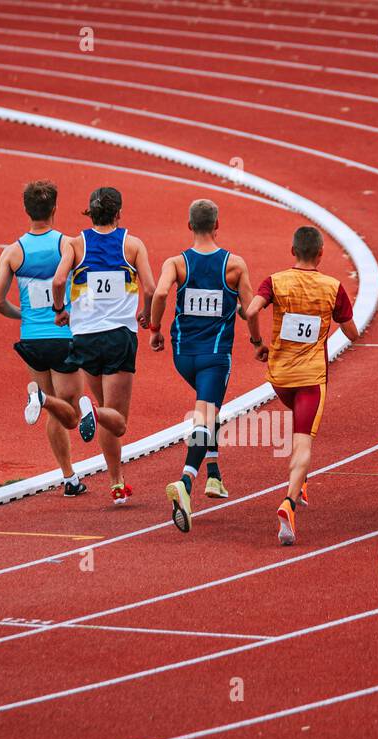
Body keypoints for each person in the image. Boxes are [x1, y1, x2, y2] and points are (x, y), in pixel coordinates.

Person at [244, 226, 360, 545]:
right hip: (310, 379)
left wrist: (257, 342)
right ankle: (289, 502)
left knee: (298, 424)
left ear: (292, 251)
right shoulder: (333, 287)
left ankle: (302, 481)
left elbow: (251, 310)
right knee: (303, 442)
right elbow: (351, 333)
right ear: (321, 253)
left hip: (280, 379)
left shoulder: (275, 281)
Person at [149, 199, 254, 533]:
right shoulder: (234, 265)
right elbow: (250, 309)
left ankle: (213, 475)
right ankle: (185, 481)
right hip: (215, 357)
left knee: (210, 408)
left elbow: (160, 294)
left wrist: (154, 329)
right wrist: (257, 340)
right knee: (205, 414)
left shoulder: (176, 263)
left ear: (189, 225)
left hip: (183, 357)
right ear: (217, 224)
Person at [51, 186, 156, 505]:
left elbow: (58, 281)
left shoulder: (75, 244)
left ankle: (116, 482)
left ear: (90, 212)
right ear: (119, 213)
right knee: (116, 421)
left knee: (107, 412)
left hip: (84, 338)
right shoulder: (132, 245)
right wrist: (146, 314)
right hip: (119, 337)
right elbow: (151, 288)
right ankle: (92, 413)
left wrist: (60, 310)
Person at [0, 179, 88, 497]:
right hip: (63, 336)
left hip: (31, 341)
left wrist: (25, 316)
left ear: (26, 210)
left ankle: (70, 478)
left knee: (55, 411)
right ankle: (42, 399)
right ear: (55, 209)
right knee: (70, 415)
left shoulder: (13, 252)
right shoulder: (68, 245)